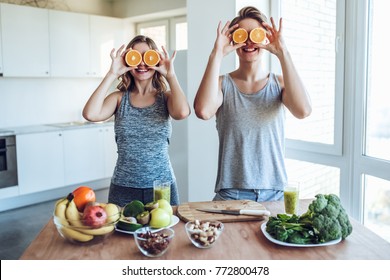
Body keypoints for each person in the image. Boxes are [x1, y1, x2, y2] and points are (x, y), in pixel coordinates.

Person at [194, 6, 312, 202]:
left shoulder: (280, 83)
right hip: (230, 194)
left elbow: (303, 110)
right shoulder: (222, 85)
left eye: (254, 34)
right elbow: (203, 111)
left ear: (265, 38)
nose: (248, 41)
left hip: (275, 193)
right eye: (242, 35)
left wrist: (283, 52)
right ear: (233, 40)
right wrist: (217, 53)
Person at [83, 35, 190, 207]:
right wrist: (112, 73)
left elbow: (182, 112)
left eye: (147, 57)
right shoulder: (119, 99)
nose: (141, 63)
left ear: (156, 59)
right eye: (135, 57)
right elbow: (90, 114)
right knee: (122, 234)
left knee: (165, 234)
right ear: (127, 61)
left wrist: (171, 75)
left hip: (161, 188)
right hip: (123, 187)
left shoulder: (166, 97)